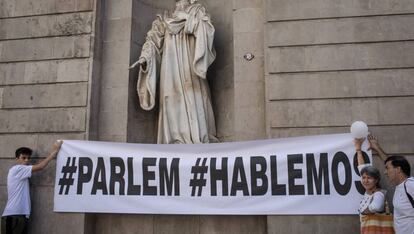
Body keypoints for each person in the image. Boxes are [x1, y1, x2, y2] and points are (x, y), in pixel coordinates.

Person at [129, 0, 218, 144]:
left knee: (193, 96)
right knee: (171, 98)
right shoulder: (164, 18)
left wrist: (189, 20)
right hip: (170, 70)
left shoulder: (197, 11)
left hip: (190, 67)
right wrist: (146, 56)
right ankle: (173, 139)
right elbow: (152, 41)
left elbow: (207, 32)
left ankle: (196, 138)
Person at [1, 140, 63, 234]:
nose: (26, 160)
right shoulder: (17, 169)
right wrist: (54, 151)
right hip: (13, 216)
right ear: (17, 158)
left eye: (28, 158)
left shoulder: (21, 171)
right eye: (23, 157)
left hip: (19, 216)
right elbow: (41, 166)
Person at [368, 135, 414, 234]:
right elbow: (391, 161)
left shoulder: (410, 186)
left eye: (387, 168)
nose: (385, 172)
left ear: (398, 170)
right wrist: (376, 148)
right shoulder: (400, 186)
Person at [354, 138, 387, 233]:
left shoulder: (378, 194)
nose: (366, 181)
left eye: (369, 178)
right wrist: (358, 149)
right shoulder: (368, 192)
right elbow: (362, 168)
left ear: (376, 180)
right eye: (364, 178)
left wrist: (364, 212)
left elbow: (376, 206)